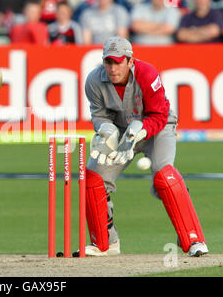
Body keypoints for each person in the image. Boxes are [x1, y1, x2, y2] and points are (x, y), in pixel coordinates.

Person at [81, 36, 209, 258]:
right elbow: (99, 116)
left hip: (156, 128)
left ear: (130, 61)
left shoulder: (147, 74)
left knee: (164, 176)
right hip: (121, 133)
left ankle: (193, 240)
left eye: (118, 62)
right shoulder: (93, 81)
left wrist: (140, 131)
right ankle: (105, 244)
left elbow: (159, 114)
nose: (113, 68)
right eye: (108, 62)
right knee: (93, 177)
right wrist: (106, 131)